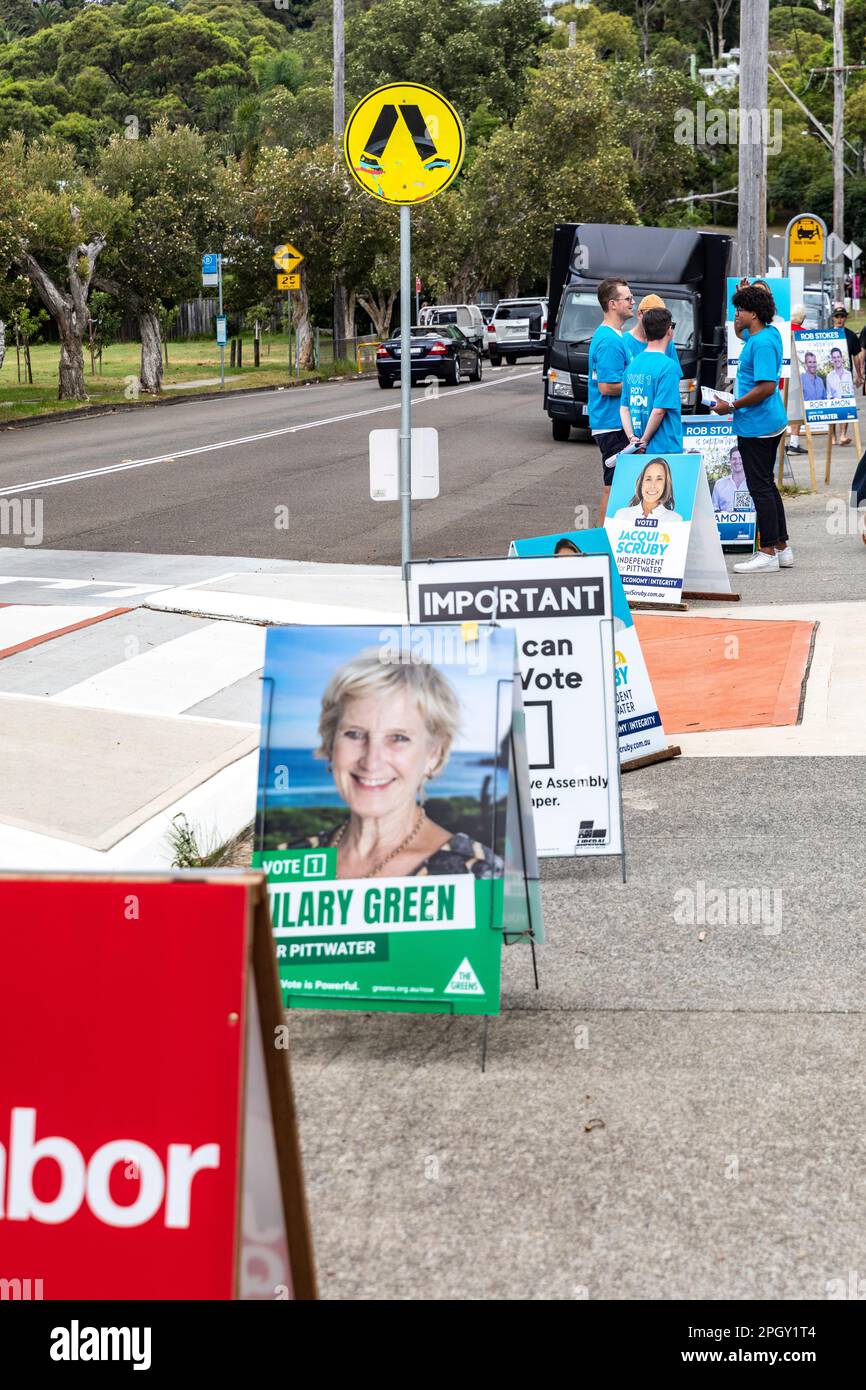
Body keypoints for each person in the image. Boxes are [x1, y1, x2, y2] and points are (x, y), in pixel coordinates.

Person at [290, 650, 502, 879]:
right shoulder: (289, 862)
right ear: (331, 743)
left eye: (399, 737)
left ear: (434, 755)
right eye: (354, 734)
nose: (372, 761)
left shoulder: (478, 872)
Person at [713, 283, 792, 574]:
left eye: (740, 310)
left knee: (759, 488)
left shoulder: (761, 344)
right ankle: (782, 547)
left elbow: (767, 387)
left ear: (755, 314)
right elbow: (738, 332)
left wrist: (730, 405)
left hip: (757, 425)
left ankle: (768, 550)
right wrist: (744, 296)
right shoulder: (764, 332)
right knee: (767, 484)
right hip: (764, 422)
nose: (736, 315)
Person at [588, 277, 633, 523]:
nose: (632, 302)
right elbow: (607, 387)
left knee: (618, 486)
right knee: (614, 487)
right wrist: (638, 386)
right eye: (627, 298)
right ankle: (604, 544)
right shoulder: (609, 341)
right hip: (613, 424)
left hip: (614, 423)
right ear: (612, 304)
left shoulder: (614, 336)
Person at [619, 307, 683, 454]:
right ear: (669, 330)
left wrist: (632, 438)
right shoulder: (668, 367)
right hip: (665, 447)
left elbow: (624, 408)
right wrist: (645, 440)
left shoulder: (633, 365)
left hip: (636, 447)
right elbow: (659, 411)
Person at [608, 456, 683, 528]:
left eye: (659, 479)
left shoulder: (675, 520)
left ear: (666, 484)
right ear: (641, 483)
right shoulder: (621, 515)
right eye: (648, 479)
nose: (652, 485)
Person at [623, 294, 682, 374]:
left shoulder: (666, 343)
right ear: (639, 314)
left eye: (660, 319)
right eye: (651, 316)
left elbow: (674, 376)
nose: (656, 322)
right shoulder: (623, 342)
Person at [829, 306, 860, 445]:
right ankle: (832, 436)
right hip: (831, 376)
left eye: (842, 316)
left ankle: (842, 435)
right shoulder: (827, 334)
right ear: (833, 318)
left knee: (845, 405)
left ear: (845, 318)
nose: (839, 319)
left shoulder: (851, 335)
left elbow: (856, 356)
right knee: (831, 406)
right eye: (837, 316)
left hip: (846, 376)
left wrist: (859, 374)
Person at [788, 302, 806, 453]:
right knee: (796, 411)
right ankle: (793, 443)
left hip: (778, 378)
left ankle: (780, 443)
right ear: (802, 318)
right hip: (797, 379)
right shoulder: (803, 333)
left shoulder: (779, 331)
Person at [710, 445, 752, 512]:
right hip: (724, 522)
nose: (737, 461)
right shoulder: (719, 484)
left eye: (740, 458)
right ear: (730, 461)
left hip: (750, 522)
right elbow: (713, 508)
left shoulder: (753, 483)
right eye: (734, 458)